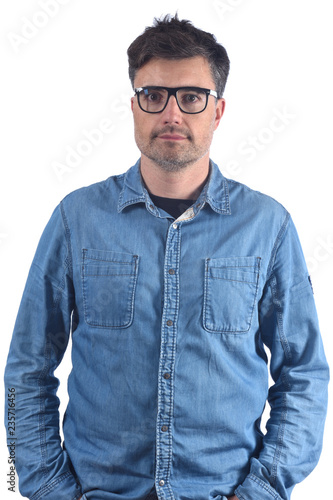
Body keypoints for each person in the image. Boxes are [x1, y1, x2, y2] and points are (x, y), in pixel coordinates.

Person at [4, 14, 329, 500]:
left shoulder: (268, 227)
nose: (171, 114)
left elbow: (304, 373)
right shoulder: (77, 218)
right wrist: (47, 487)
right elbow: (27, 369)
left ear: (217, 111)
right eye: (154, 96)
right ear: (134, 107)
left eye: (191, 97)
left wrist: (263, 490)